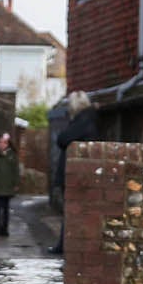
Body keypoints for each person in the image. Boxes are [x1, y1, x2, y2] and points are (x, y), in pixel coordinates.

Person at [46, 91, 99, 257]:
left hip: (74, 175)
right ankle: (64, 244)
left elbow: (62, 139)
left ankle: (65, 245)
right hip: (79, 174)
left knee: (71, 212)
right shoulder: (88, 119)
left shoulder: (82, 121)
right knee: (71, 212)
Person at [0, 130, 21, 237]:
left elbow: (15, 170)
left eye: (4, 142)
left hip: (8, 185)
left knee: (6, 209)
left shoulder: (12, 155)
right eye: (0, 142)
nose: (2, 145)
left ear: (8, 144)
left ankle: (5, 229)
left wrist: (16, 183)